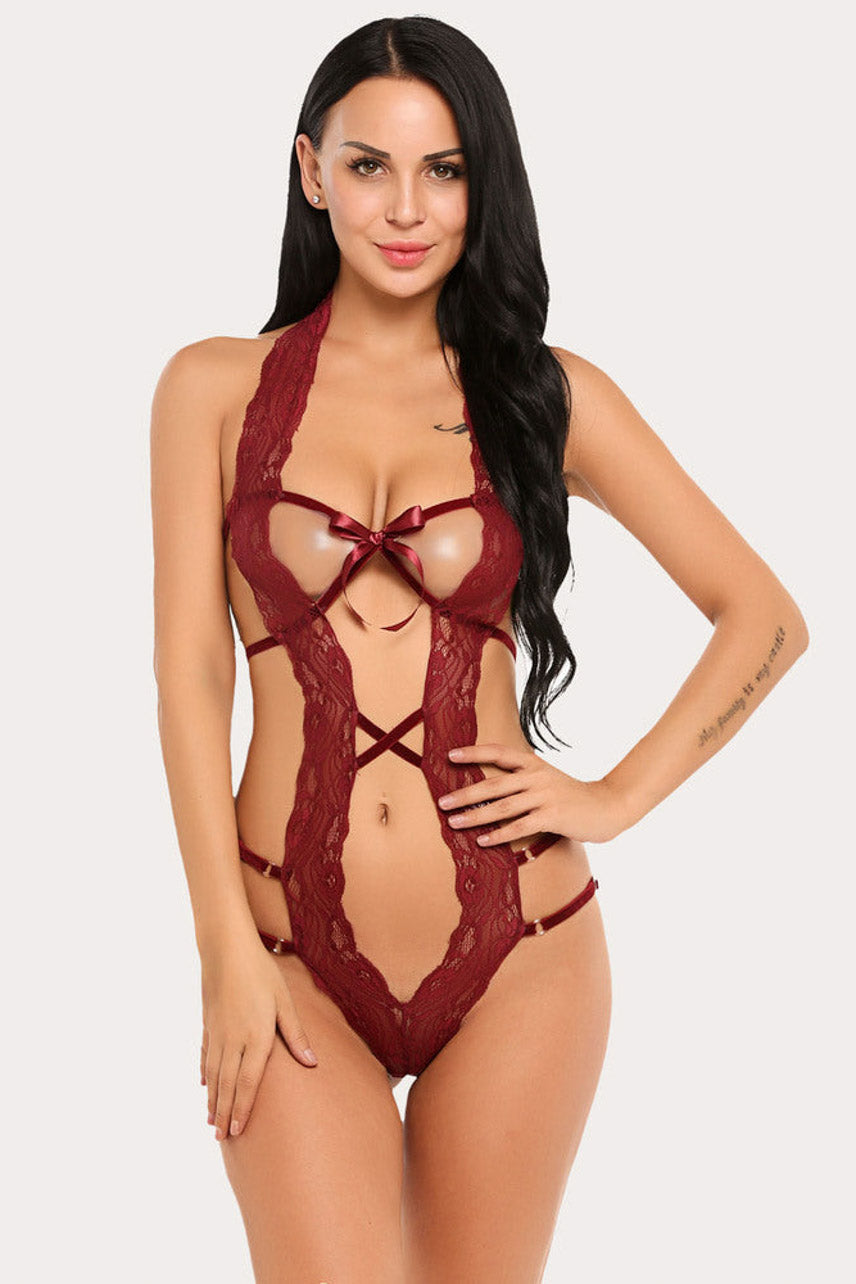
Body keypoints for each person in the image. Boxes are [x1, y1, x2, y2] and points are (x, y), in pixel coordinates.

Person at [149, 15, 809, 1283]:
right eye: (368, 166)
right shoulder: (212, 389)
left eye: (443, 171)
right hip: (285, 948)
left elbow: (764, 619)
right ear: (310, 172)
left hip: (522, 951)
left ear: (481, 183)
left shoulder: (546, 395)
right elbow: (191, 673)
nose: (406, 209)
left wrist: (612, 797)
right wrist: (221, 946)